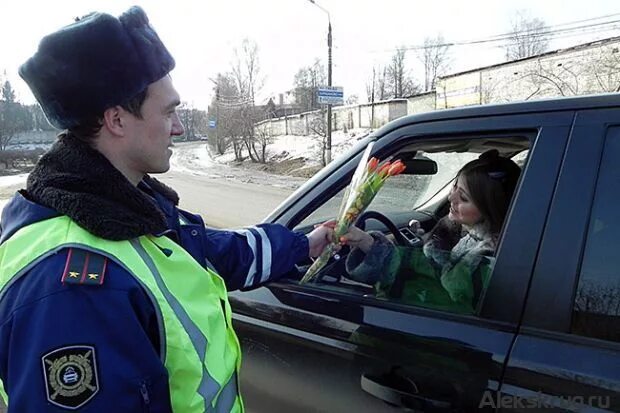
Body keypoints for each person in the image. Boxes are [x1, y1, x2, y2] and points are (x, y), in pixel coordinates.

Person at [0, 7, 333, 412]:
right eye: (169, 111)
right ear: (117, 119)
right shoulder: (74, 289)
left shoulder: (127, 210)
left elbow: (216, 253)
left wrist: (306, 244)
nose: (178, 127)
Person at [341, 150, 521, 315]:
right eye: (454, 187)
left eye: (464, 198)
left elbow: (438, 297)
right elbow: (433, 271)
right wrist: (368, 244)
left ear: (489, 208)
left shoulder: (485, 259)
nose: (451, 197)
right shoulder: (469, 236)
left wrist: (382, 263)